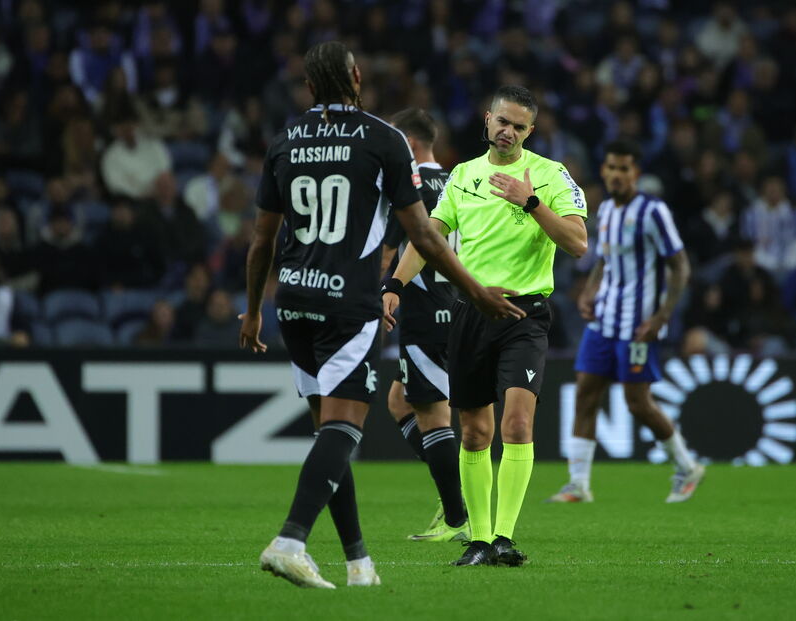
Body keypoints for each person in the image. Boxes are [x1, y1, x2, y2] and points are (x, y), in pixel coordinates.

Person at [240, 42, 523, 590]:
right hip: (350, 304)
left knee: (329, 430)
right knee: (345, 428)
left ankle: (358, 563)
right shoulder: (382, 139)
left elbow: (259, 242)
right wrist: (477, 291)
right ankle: (291, 539)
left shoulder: (284, 141)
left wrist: (252, 311)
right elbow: (423, 236)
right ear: (358, 77)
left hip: (292, 302)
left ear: (308, 88)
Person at [384, 85, 589, 567]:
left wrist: (532, 202)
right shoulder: (463, 176)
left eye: (519, 126)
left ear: (530, 132)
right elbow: (430, 239)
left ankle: (504, 537)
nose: (508, 131)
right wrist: (393, 282)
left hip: (525, 315)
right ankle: (478, 540)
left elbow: (578, 243)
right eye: (503, 121)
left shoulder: (550, 175)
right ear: (487, 119)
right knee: (474, 433)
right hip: (471, 313)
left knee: (517, 423)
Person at [548, 139, 704, 505]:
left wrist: (661, 316)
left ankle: (686, 465)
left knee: (637, 402)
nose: (617, 175)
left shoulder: (653, 212)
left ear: (636, 173)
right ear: (604, 170)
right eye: (612, 168)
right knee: (585, 392)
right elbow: (604, 258)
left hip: (638, 324)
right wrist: (589, 290)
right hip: (604, 320)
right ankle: (578, 484)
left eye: (624, 169)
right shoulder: (606, 212)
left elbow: (680, 265)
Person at [378, 108, 467, 542]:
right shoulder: (458, 183)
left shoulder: (406, 188)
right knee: (399, 400)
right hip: (457, 308)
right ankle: (451, 491)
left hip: (424, 312)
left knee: (434, 416)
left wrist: (380, 293)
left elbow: (390, 253)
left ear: (410, 145)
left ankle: (457, 513)